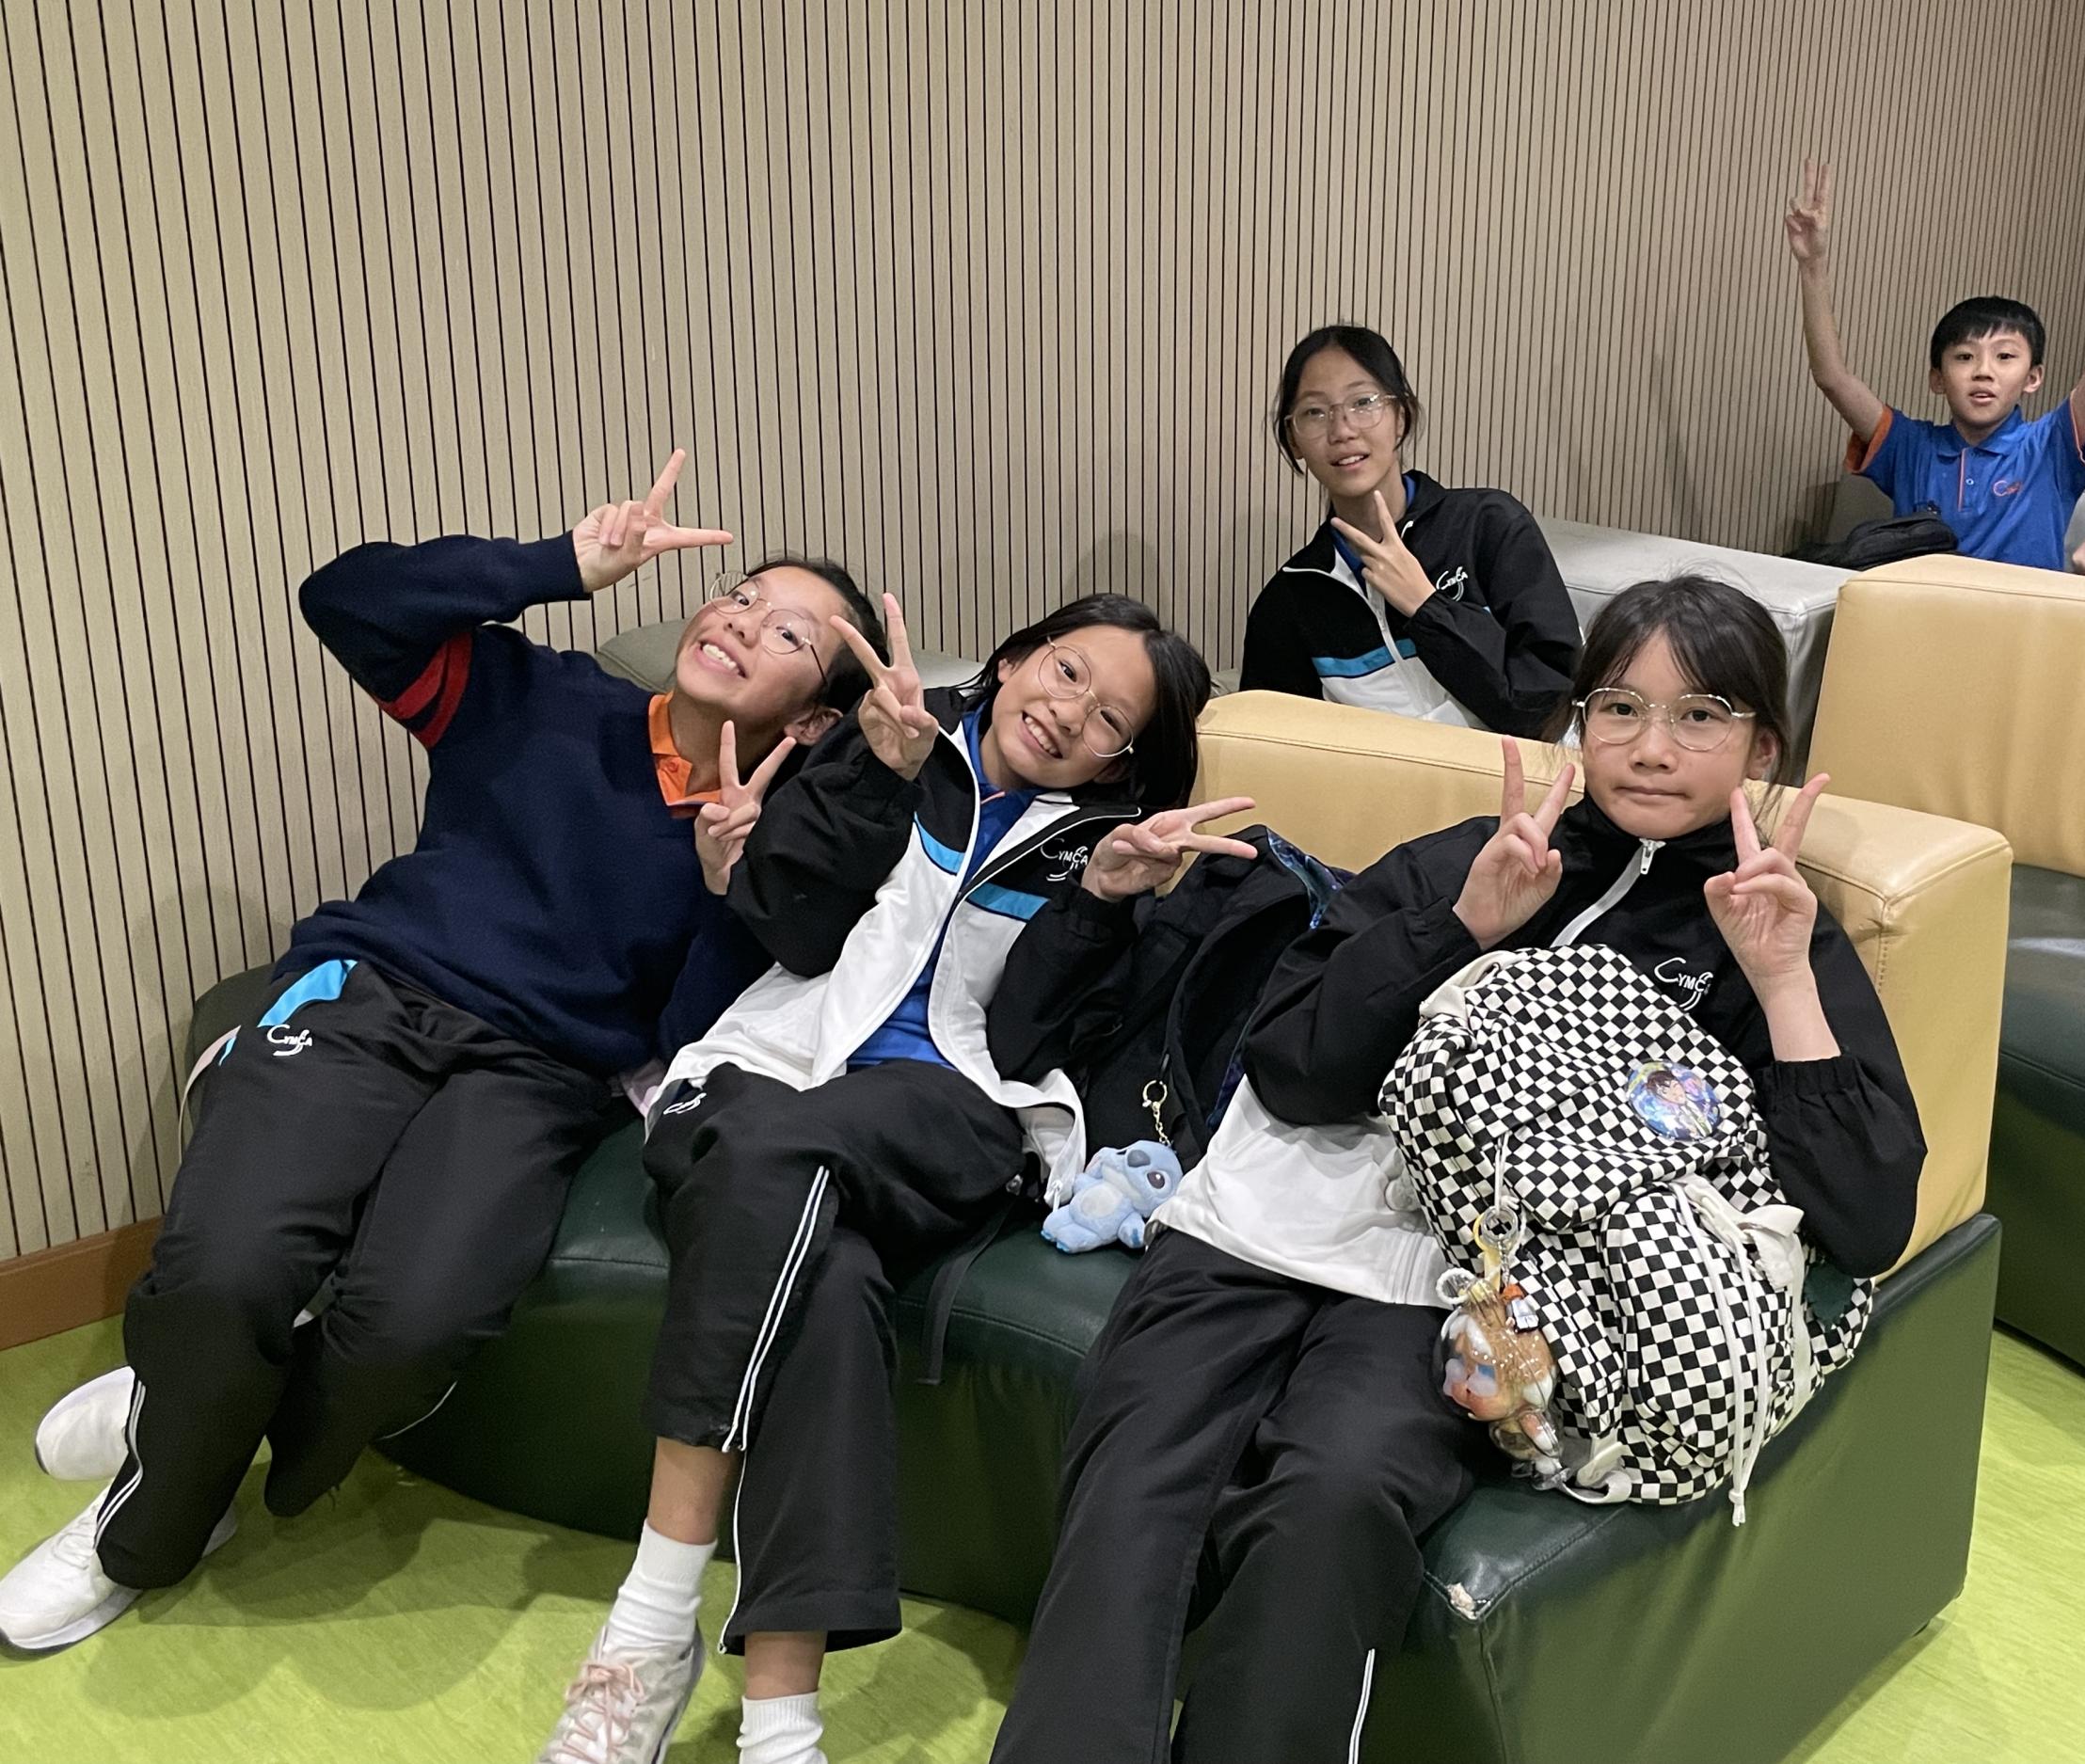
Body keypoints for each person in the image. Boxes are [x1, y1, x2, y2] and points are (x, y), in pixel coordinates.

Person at [989, 575, 1924, 1763]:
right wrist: (1462, 928)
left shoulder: (1770, 927)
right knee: (1135, 1464)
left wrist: (1783, 980)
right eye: (1619, 708)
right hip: (1264, 1221)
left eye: (1699, 715)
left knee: (1334, 1494)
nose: (1650, 748)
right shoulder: (1472, 859)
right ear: (1578, 722)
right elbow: (1293, 1066)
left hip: (1469, 1287)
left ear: (1762, 747)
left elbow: (1867, 1217)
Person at [0, 453, 884, 1655]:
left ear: (814, 715)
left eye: (785, 633)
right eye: (740, 594)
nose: (737, 620)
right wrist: (558, 564)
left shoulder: (776, 843)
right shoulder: (539, 696)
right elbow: (343, 599)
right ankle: (144, 1530)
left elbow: (686, 1037)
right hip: (369, 993)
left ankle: (196, 1412)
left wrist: (729, 885)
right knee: (224, 1270)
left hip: (539, 1072)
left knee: (411, 1328)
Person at [535, 594, 1235, 1764]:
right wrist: (877, 774)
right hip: (771, 1061)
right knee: (825, 1285)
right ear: (1016, 656)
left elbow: (1019, 1040)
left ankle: (647, 1626)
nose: (1070, 713)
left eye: (1111, 719)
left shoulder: (1108, 843)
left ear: (1123, 759)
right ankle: (780, 1728)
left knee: (775, 1155)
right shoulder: (890, 733)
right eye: (1066, 671)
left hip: (948, 1104)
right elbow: (789, 928)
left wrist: (1100, 903)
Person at [1788, 143, 2085, 572]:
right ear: (1937, 378)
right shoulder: (1910, 448)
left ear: (2033, 377)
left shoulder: (2049, 447)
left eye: (2005, 357)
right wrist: (1812, 264)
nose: (1983, 371)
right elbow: (1832, 377)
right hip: (1923, 611)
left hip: (2022, 615)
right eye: (1964, 357)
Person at [1238, 323, 1584, 735]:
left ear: (1400, 418)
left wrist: (1427, 607)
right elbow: (1273, 747)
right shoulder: (1291, 600)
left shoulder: (1488, 526)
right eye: (1315, 412)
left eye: (1363, 402)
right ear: (1294, 440)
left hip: (1513, 775)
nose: (1342, 430)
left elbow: (1550, 707)